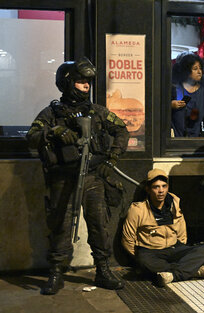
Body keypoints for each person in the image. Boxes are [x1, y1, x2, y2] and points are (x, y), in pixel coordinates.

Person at [26, 57, 129, 295]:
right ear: (68, 83)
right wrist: (54, 132)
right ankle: (56, 272)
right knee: (60, 224)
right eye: (81, 82)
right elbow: (32, 135)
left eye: (88, 82)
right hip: (62, 177)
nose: (86, 86)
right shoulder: (52, 112)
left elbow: (122, 130)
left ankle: (103, 269)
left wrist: (112, 159)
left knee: (98, 224)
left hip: (92, 176)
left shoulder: (98, 112)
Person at [122, 168, 204, 287]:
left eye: (164, 186)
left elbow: (181, 228)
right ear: (148, 189)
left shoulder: (174, 202)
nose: (161, 191)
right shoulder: (138, 209)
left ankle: (173, 275)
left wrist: (180, 246)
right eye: (156, 187)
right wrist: (138, 257)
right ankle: (191, 270)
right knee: (143, 262)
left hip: (174, 248)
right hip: (151, 252)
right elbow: (127, 239)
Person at [171, 53, 204, 137]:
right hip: (176, 139)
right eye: (195, 69)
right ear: (186, 71)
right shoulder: (174, 89)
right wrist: (170, 105)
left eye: (200, 68)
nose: (199, 72)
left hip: (196, 138)